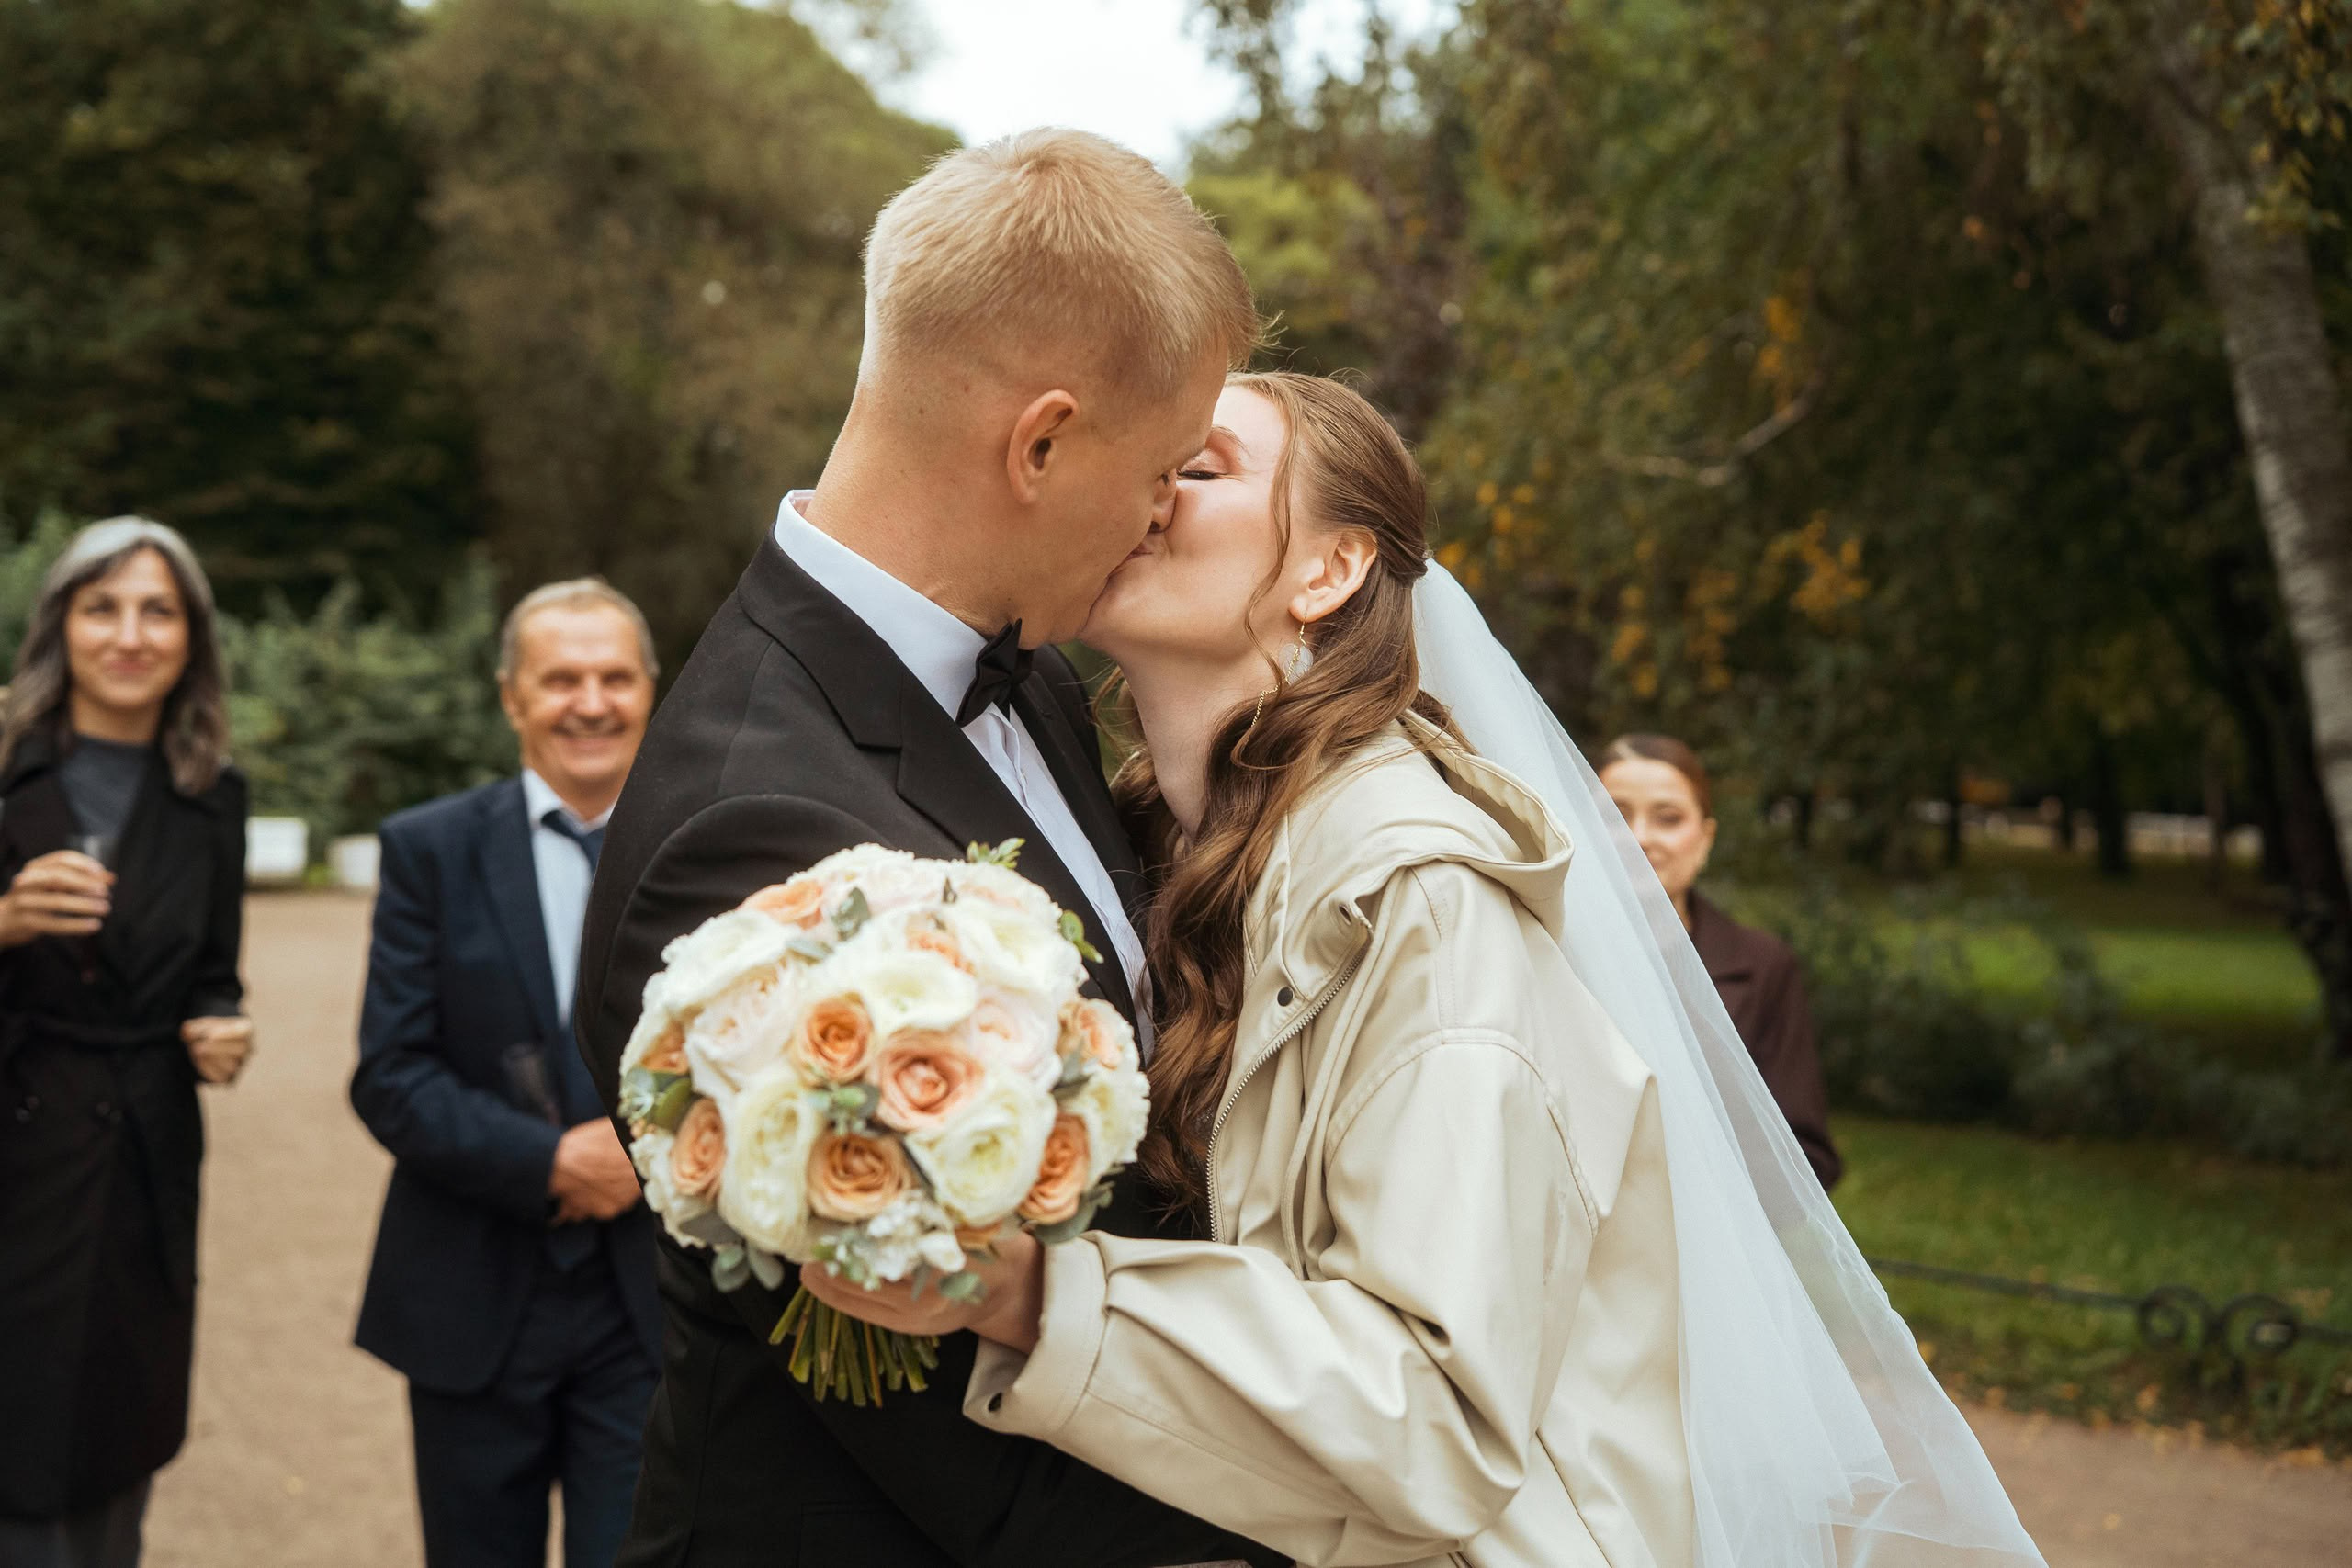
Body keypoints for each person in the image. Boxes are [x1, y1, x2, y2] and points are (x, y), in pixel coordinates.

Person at [804, 373, 2046, 1568]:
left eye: (1199, 465)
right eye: (1145, 462)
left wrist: (1033, 1295)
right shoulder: (1140, 853)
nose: (1149, 487)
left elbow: (1433, 1401)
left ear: (1332, 567)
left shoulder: (1423, 897)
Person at [573, 130, 1279, 1568]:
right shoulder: (749, 836)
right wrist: (1383, 1501)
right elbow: (952, 1427)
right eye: (1158, 469)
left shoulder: (1029, 667)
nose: (1162, 514)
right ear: (1041, 441)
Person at [351, 579, 663, 1568]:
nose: (591, 701)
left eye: (615, 677)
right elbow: (391, 1073)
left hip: (651, 1309)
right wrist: (552, 1162)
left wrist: (642, 1159)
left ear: (650, 692)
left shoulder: (714, 840)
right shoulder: (428, 851)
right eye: (560, 678)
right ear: (511, 698)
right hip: (471, 1294)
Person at [0, 519, 254, 1568]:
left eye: (158, 611)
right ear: (62, 624)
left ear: (190, 639)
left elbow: (214, 975)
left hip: (148, 1152)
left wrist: (223, 1028)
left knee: (121, 1421)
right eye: (102, 607)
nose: (130, 634)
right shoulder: (8, 765)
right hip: (17, 1148)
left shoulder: (213, 794)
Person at [1598, 734, 1841, 1190]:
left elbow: (1806, 1158)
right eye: (1615, 816)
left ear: (1705, 838)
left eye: (1668, 818)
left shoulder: (1764, 965)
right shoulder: (1544, 946)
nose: (1639, 838)